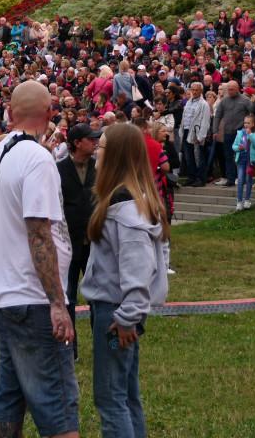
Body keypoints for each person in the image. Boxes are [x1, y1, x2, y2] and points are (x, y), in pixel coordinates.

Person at [0, 80, 78, 438]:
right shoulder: (37, 158)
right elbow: (39, 232)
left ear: (9, 114)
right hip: (33, 298)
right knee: (58, 403)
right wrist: (57, 302)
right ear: (51, 114)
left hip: (4, 294)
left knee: (10, 392)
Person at [80, 122, 169, 436]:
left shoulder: (125, 206)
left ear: (115, 155)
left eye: (101, 147)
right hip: (117, 310)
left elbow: (138, 267)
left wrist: (128, 317)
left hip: (115, 313)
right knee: (126, 396)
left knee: (111, 398)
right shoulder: (128, 201)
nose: (96, 154)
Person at [56, 123, 101, 357]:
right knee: (68, 298)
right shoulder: (59, 169)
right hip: (68, 244)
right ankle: (69, 349)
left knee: (97, 298)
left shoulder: (99, 167)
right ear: (76, 143)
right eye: (90, 139)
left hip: (94, 243)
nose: (95, 142)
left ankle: (101, 347)